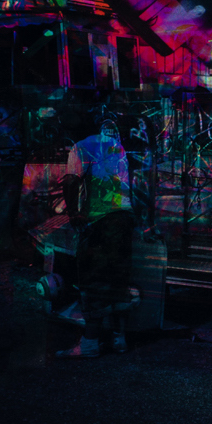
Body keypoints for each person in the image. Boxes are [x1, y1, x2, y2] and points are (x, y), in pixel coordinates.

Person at [56, 120, 135, 358]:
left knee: (93, 279)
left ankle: (90, 342)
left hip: (99, 221)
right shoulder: (116, 145)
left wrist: (73, 213)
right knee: (118, 278)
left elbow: (71, 180)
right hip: (123, 218)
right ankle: (119, 339)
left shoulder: (80, 147)